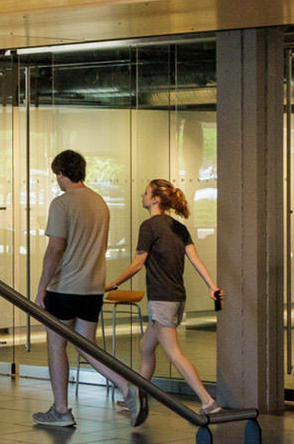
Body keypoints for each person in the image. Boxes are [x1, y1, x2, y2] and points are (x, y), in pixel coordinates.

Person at [31, 150, 139, 428]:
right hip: (93, 288)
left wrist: (42, 287)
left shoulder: (62, 203)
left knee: (56, 345)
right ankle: (127, 388)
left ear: (60, 174)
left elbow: (56, 248)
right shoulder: (100, 202)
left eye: (56, 175)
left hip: (65, 287)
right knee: (87, 347)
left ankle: (61, 410)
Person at [109, 178, 225, 418]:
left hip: (162, 299)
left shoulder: (149, 226)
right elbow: (195, 259)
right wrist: (211, 286)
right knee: (146, 346)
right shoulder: (178, 227)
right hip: (176, 298)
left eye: (146, 192)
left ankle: (207, 402)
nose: (142, 195)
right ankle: (137, 397)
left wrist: (113, 283)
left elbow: (138, 264)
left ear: (155, 199)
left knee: (174, 353)